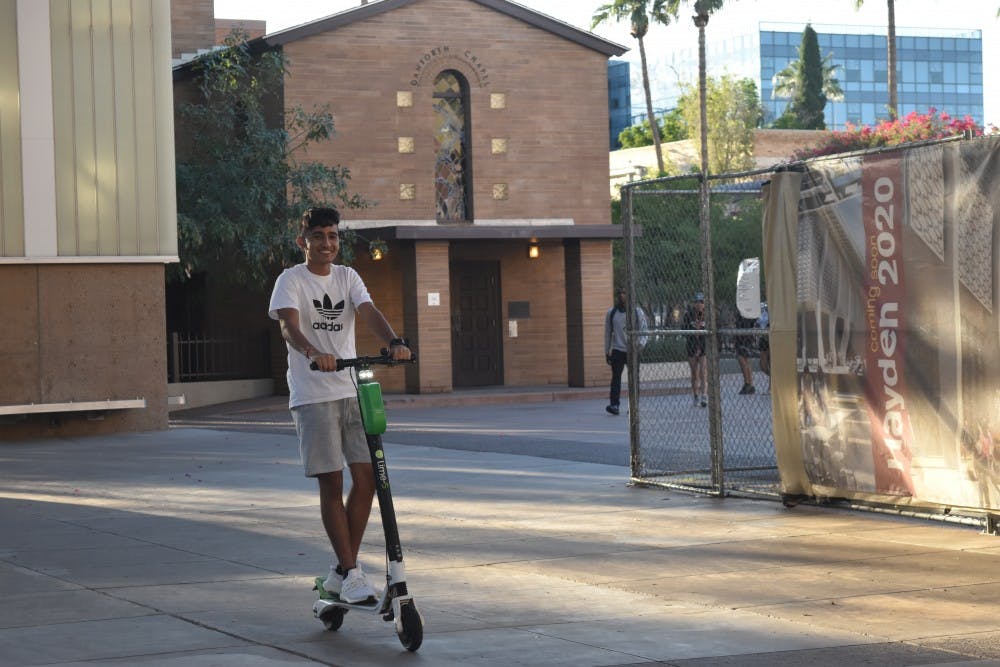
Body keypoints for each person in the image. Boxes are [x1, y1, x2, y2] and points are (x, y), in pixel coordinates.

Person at [268, 207, 412, 604]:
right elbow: (287, 325)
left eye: (332, 236)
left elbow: (369, 312)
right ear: (304, 241)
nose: (327, 243)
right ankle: (351, 572)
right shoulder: (291, 280)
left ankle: (340, 571)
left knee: (368, 478)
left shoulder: (348, 276)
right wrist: (314, 350)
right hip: (314, 394)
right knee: (332, 483)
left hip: (350, 389)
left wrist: (394, 341)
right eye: (318, 236)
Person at [604, 287, 648, 415]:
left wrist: (640, 344)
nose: (621, 295)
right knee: (616, 378)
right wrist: (606, 351)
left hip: (633, 350)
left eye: (624, 293)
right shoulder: (612, 312)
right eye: (620, 293)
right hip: (618, 349)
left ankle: (633, 406)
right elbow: (607, 332)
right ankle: (614, 405)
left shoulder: (637, 312)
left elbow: (644, 330)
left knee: (634, 379)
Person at [684, 293, 708, 407]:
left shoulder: (708, 315)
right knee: (694, 373)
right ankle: (695, 395)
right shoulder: (688, 315)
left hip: (703, 346)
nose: (699, 304)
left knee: (703, 372)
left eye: (701, 302)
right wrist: (695, 326)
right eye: (697, 302)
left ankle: (704, 395)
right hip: (692, 346)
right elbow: (683, 330)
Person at [734, 312, 757, 395]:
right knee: (744, 360)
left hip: (745, 336)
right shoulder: (741, 311)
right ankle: (749, 383)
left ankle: (748, 383)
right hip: (742, 335)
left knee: (742, 359)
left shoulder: (749, 312)